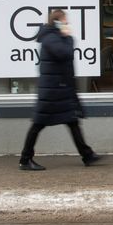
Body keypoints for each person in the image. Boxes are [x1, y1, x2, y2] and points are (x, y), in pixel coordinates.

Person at [19, 9, 101, 170]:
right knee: (38, 124)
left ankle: (87, 155)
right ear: (57, 22)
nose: (67, 23)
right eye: (65, 20)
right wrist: (68, 37)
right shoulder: (51, 38)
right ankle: (25, 159)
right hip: (52, 91)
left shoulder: (53, 37)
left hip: (59, 89)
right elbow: (65, 53)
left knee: (72, 122)